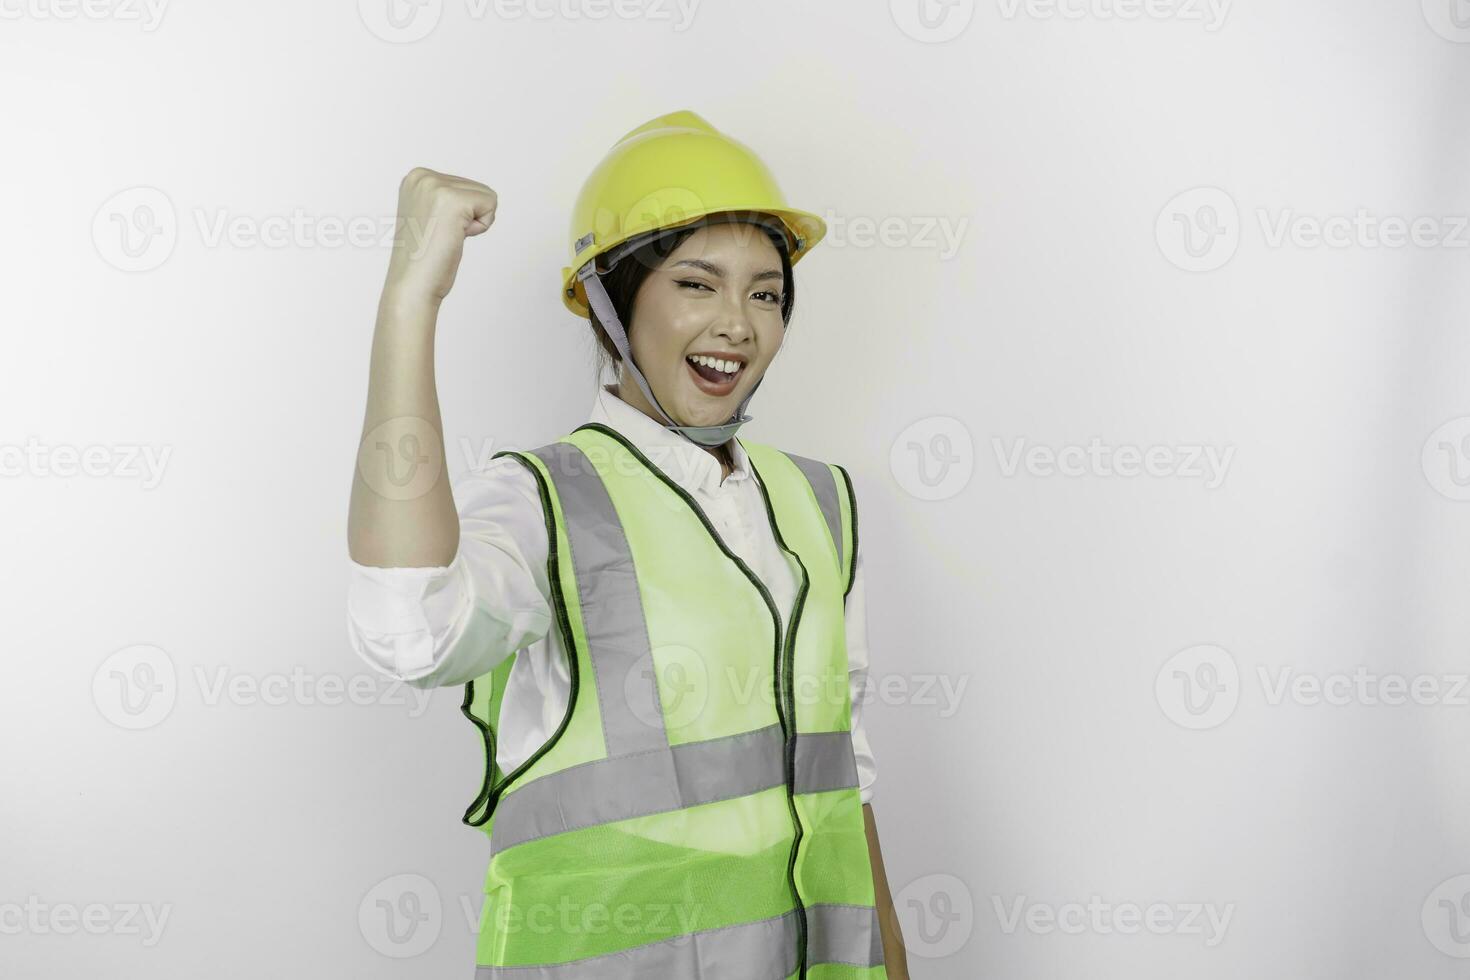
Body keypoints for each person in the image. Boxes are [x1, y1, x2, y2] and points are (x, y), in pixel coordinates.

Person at [346, 110, 909, 978]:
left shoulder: (819, 502)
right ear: (611, 304)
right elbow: (411, 628)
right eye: (696, 283)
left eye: (766, 292)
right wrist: (409, 301)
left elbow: (847, 784)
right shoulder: (548, 499)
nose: (739, 323)